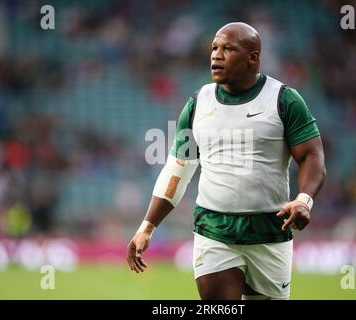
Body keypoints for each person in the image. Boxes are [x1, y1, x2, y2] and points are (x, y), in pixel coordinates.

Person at [126, 22, 326, 300]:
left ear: (252, 58)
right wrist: (146, 227)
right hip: (214, 228)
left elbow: (312, 156)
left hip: (270, 230)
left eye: (228, 49)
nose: (216, 55)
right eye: (214, 48)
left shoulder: (284, 100)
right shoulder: (198, 103)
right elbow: (178, 169)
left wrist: (304, 200)